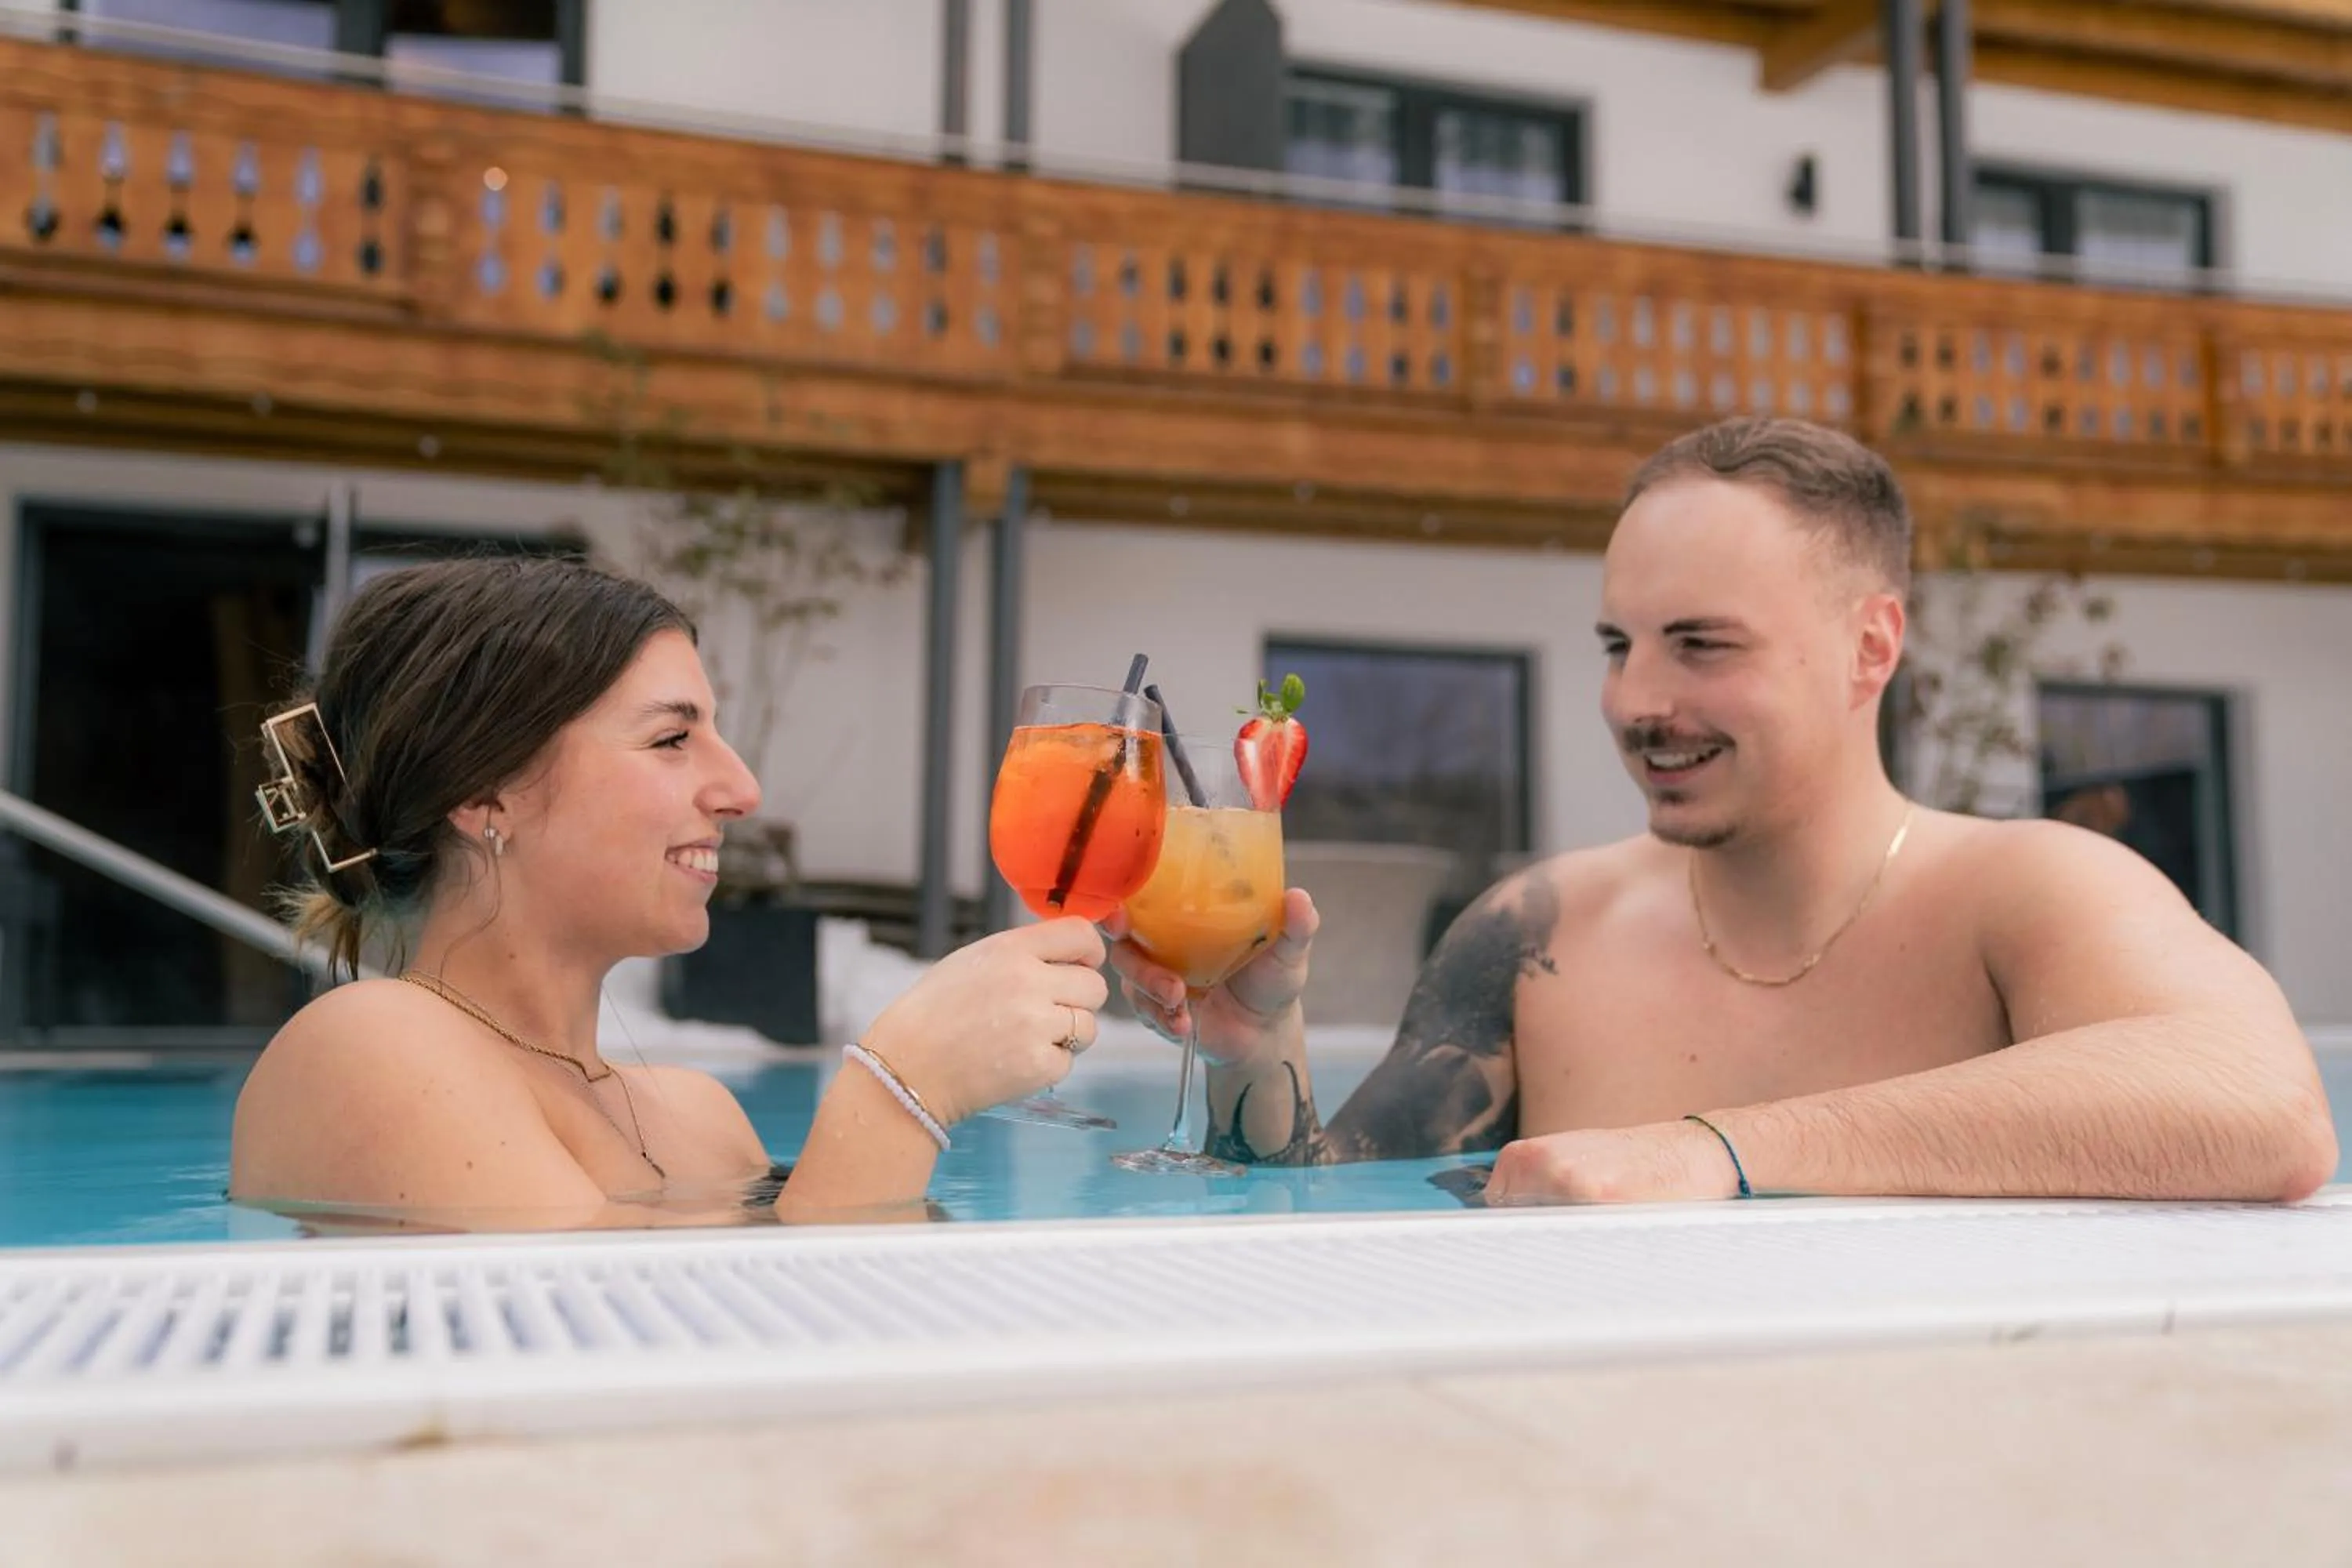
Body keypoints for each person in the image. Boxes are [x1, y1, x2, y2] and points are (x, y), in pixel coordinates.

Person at [1109, 416, 2338, 1204]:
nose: (1638, 700)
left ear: (1870, 648)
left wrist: (1718, 1147)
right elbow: (1313, 1201)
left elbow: (2267, 1107)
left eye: (1702, 644)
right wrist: (1249, 1047)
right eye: (1618, 643)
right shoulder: (1536, 925)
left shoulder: (2024, 888)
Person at [230, 557, 1107, 1229]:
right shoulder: (363, 1048)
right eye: (671, 739)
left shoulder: (700, 1117)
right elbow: (633, 1371)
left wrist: (1233, 1060)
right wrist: (900, 1088)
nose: (741, 788)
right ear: (485, 793)